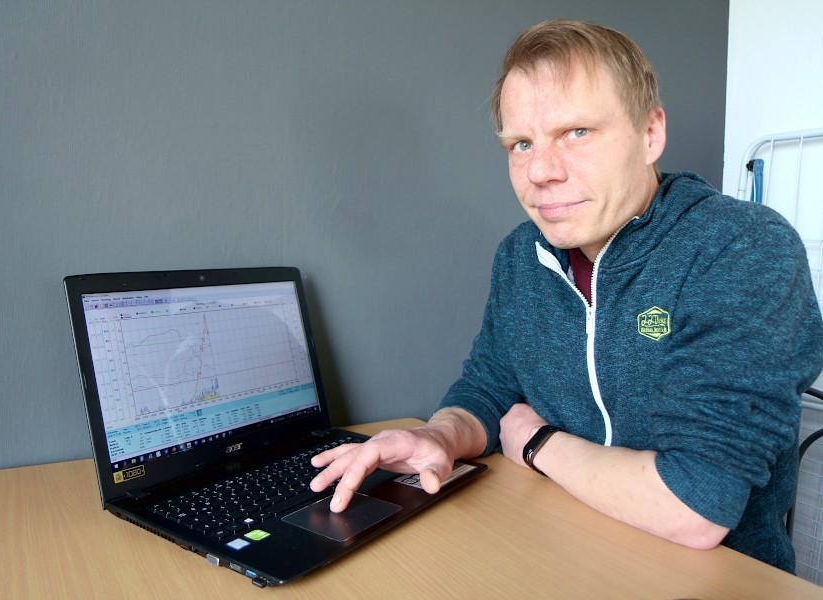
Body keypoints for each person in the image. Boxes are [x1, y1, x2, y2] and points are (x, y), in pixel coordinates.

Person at [310, 19, 823, 572]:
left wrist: (537, 443)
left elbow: (695, 505)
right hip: (555, 554)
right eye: (521, 143)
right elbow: (488, 389)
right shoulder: (520, 256)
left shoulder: (741, 248)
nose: (539, 171)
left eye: (576, 132)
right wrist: (441, 435)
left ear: (651, 134)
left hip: (717, 578)